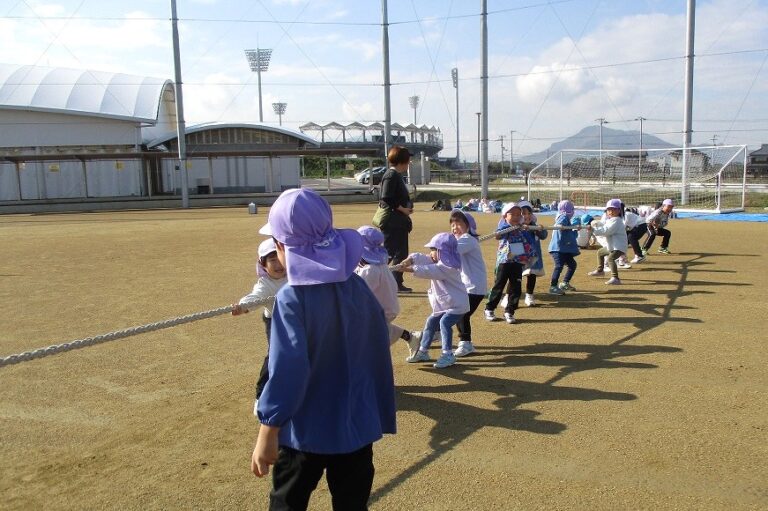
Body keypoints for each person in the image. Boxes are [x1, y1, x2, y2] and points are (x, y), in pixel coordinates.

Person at [251, 188, 396, 511]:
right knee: (351, 503)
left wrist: (267, 430)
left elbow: (288, 370)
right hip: (356, 427)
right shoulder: (356, 284)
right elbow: (376, 348)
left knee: (288, 502)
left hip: (305, 432)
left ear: (281, 246)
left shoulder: (292, 297)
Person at [231, 238, 288, 416]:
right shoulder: (266, 284)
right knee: (274, 356)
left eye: (279, 258)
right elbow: (256, 296)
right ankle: (261, 394)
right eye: (272, 261)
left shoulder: (293, 274)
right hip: (275, 322)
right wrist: (243, 306)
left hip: (296, 321)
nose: (278, 264)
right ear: (263, 265)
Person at [400, 232, 470, 368]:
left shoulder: (447, 267)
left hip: (457, 305)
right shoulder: (438, 261)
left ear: (442, 252)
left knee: (444, 322)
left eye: (433, 250)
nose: (431, 253)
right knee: (431, 322)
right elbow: (420, 258)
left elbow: (428, 271)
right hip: (445, 305)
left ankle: (447, 354)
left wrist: (407, 269)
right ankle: (423, 351)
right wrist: (408, 260)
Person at [354, 225, 421, 356]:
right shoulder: (375, 264)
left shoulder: (370, 270)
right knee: (378, 329)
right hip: (382, 307)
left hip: (381, 309)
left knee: (364, 335)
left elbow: (358, 294)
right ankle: (410, 337)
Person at [484, 203, 533, 324]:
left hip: (517, 261)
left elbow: (530, 239)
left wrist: (527, 228)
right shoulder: (504, 226)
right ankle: (489, 308)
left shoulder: (521, 227)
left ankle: (510, 311)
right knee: (499, 285)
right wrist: (508, 229)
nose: (516, 217)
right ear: (505, 215)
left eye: (518, 214)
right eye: (512, 214)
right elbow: (498, 235)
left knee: (516, 288)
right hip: (504, 261)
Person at [374, 145, 414, 293]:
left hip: (399, 221)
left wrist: (406, 207)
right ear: (402, 160)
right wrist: (402, 208)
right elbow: (386, 197)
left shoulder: (396, 175)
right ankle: (380, 280)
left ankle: (396, 282)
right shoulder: (391, 175)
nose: (409, 162)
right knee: (389, 252)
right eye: (408, 159)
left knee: (401, 253)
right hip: (392, 222)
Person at [450, 210, 487, 357]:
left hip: (474, 286)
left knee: (461, 312)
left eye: (459, 223)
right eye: (452, 224)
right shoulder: (460, 240)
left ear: (469, 226)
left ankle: (466, 343)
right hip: (466, 286)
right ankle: (438, 332)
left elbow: (452, 252)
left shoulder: (467, 239)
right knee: (454, 310)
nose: (455, 227)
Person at [587, 199, 628, 285]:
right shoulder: (611, 220)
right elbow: (605, 229)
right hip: (613, 246)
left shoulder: (616, 220)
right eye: (609, 210)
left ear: (619, 210)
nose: (611, 211)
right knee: (600, 252)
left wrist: (594, 229)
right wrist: (595, 228)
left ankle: (615, 278)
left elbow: (607, 231)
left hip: (619, 247)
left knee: (610, 258)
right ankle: (600, 270)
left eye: (613, 209)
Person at [547, 200, 580, 295]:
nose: (573, 211)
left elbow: (571, 235)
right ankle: (553, 286)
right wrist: (561, 226)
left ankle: (565, 283)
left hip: (564, 249)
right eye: (572, 209)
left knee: (572, 264)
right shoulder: (563, 216)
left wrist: (575, 230)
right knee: (559, 266)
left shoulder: (567, 220)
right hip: (557, 248)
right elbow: (559, 225)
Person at [519, 201, 548, 306]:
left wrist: (539, 229)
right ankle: (509, 296)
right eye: (523, 214)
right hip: (519, 256)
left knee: (531, 274)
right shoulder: (516, 226)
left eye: (529, 213)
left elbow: (544, 236)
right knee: (515, 276)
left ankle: (529, 295)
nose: (527, 216)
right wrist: (522, 229)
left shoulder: (534, 225)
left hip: (533, 257)